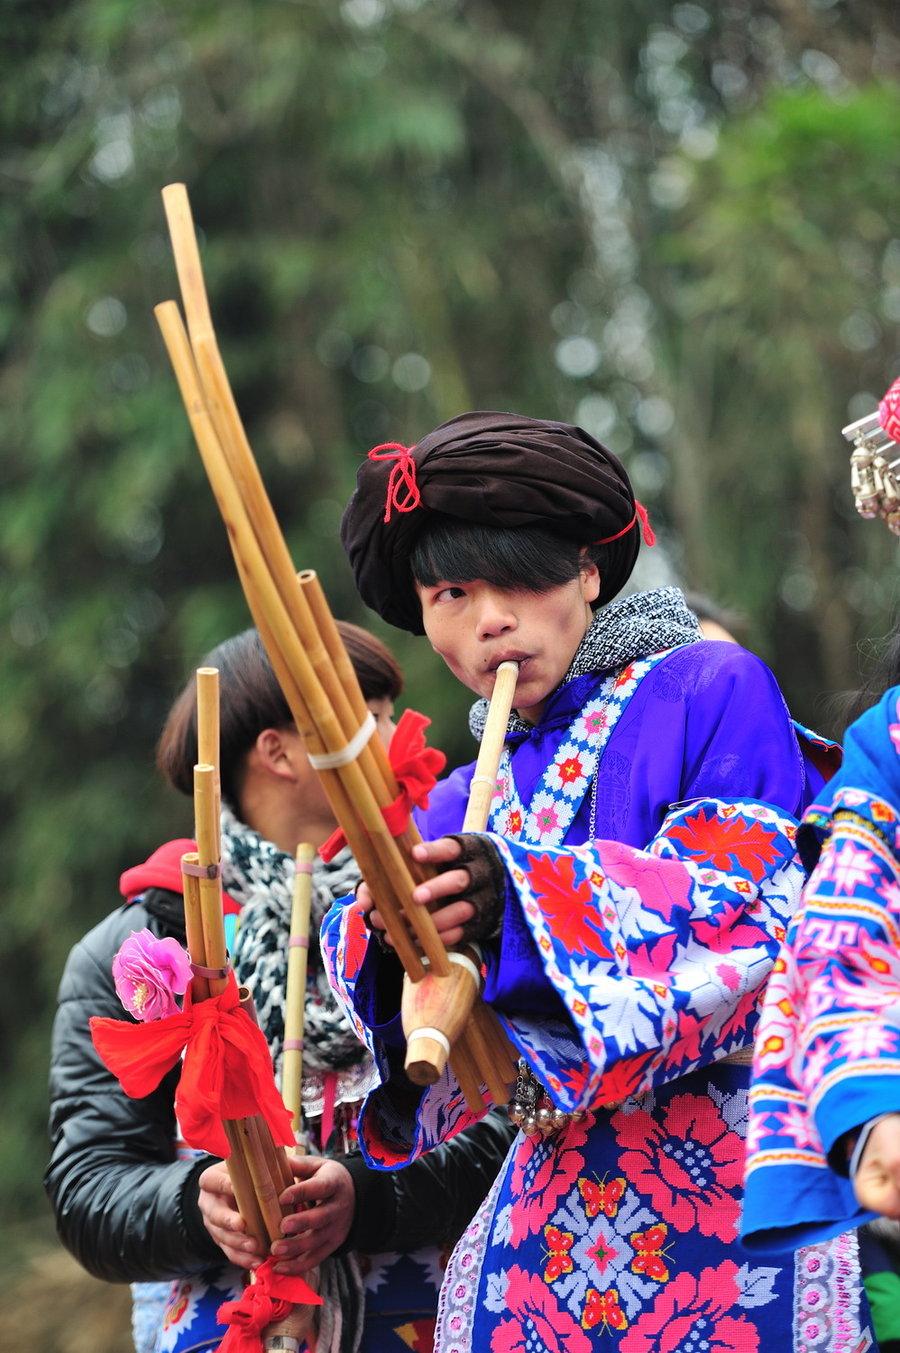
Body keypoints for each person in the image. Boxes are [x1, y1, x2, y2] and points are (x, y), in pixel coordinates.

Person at [319, 410, 875, 1352]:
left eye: (519, 577)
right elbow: (458, 1060)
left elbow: (748, 917)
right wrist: (394, 932)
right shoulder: (459, 797)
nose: (489, 617)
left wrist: (524, 902)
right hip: (541, 1217)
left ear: (586, 570)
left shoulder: (712, 685)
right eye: (451, 590)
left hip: (728, 1191)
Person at [45, 621, 516, 1353]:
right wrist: (193, 1205)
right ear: (279, 751)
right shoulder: (146, 948)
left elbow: (518, 1118)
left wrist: (366, 1196)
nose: (399, 739)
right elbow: (88, 1187)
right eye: (373, 715)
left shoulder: (442, 903)